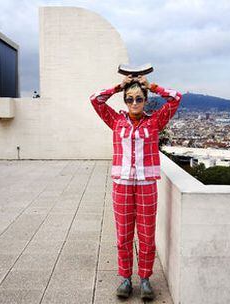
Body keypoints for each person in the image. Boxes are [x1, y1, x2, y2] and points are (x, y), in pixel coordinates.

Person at [90, 74, 182, 300]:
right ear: (124, 101)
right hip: (122, 184)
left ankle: (145, 279)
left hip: (146, 185)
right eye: (129, 99)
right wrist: (118, 86)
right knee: (123, 234)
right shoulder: (116, 121)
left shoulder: (155, 121)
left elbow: (175, 98)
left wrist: (152, 85)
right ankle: (124, 278)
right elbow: (95, 100)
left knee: (147, 233)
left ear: (145, 100)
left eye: (138, 99)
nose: (134, 103)